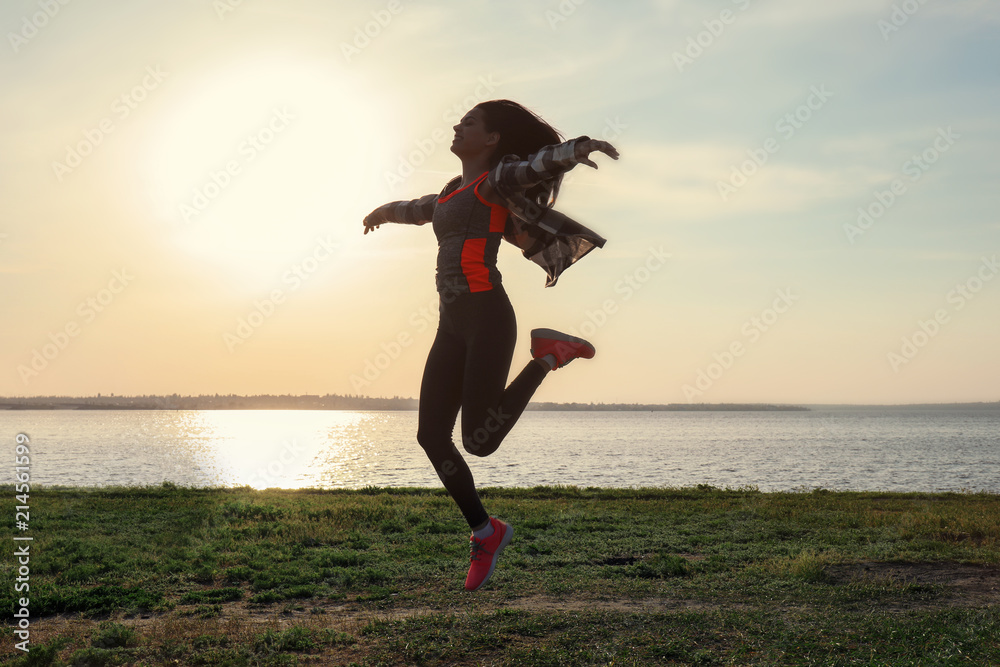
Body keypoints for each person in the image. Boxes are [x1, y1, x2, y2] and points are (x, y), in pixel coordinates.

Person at [363, 99, 618, 591]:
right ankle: (485, 530)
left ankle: (548, 355)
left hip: (487, 316)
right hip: (451, 324)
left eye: (470, 122)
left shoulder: (497, 180)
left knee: (479, 441)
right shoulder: (452, 191)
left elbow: (535, 166)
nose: (458, 126)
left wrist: (577, 149)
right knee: (431, 437)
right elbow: (418, 210)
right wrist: (383, 212)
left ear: (493, 139)